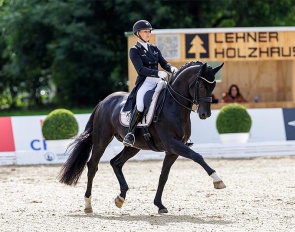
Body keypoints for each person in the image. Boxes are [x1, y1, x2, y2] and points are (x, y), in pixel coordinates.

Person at [122, 20, 178, 147]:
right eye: (145, 32)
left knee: (172, 98)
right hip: (145, 82)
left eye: (149, 31)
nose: (148, 34)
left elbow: (164, 63)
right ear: (138, 33)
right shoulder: (134, 50)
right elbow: (140, 69)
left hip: (159, 80)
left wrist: (171, 68)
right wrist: (157, 73)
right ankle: (130, 134)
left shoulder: (154, 48)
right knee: (141, 105)